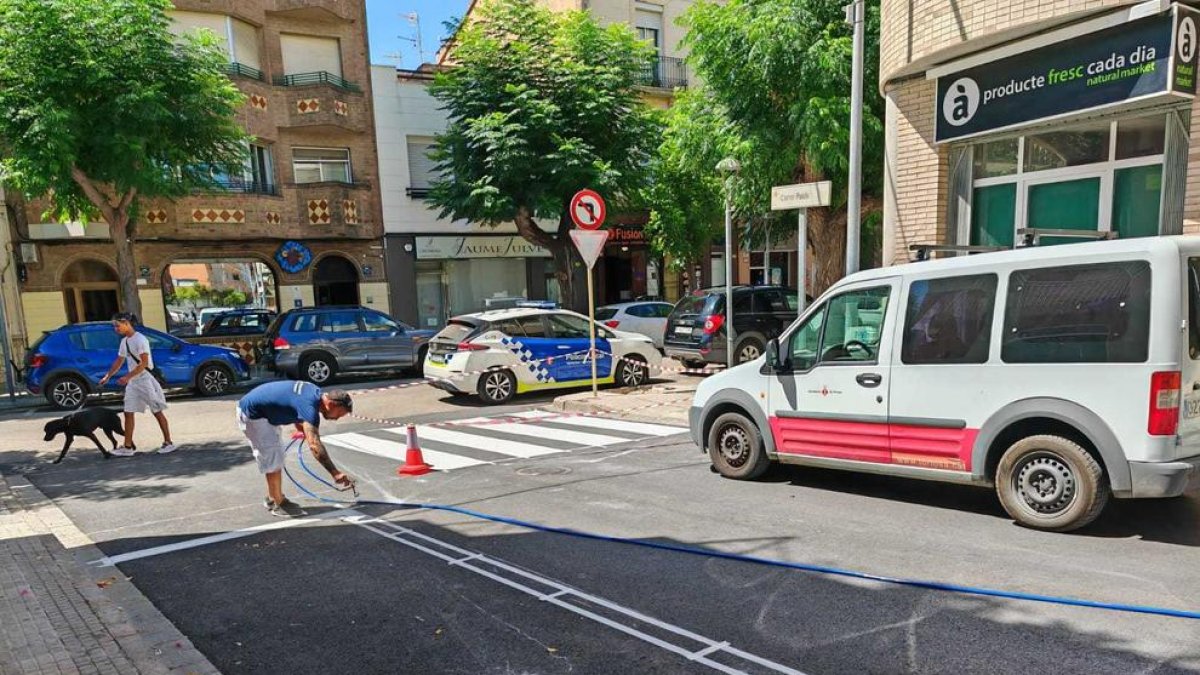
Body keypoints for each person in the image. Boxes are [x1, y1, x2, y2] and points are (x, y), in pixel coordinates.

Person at [236, 381, 354, 517]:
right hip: (253, 415)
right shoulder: (310, 409)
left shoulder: (314, 391)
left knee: (276, 455)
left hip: (262, 412)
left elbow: (293, 404)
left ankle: (274, 496)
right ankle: (276, 502)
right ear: (332, 404)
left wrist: (301, 428)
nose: (337, 418)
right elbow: (315, 446)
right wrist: (335, 473)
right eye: (339, 414)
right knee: (273, 457)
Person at [98, 313, 176, 456]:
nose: (115, 328)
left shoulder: (140, 340)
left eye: (117, 325)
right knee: (128, 412)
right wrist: (108, 376)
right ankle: (127, 447)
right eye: (114, 326)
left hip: (145, 379)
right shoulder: (125, 342)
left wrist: (127, 377)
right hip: (134, 382)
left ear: (127, 323)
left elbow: (144, 363)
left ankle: (168, 442)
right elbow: (119, 361)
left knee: (157, 411)